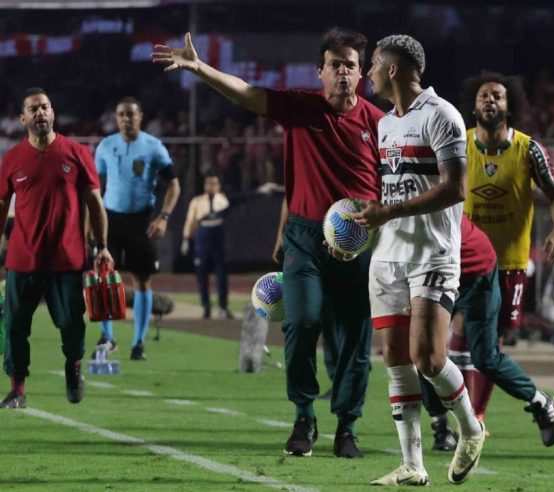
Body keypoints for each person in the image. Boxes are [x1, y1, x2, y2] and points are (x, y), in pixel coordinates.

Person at [153, 28, 383, 458]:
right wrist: (200, 68)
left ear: (361, 73)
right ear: (320, 72)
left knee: (354, 338)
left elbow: (390, 191)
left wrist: (372, 233)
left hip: (358, 244)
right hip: (306, 237)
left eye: (351, 65)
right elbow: (246, 93)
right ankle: (304, 416)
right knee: (300, 322)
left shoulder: (378, 125)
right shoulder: (301, 108)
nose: (344, 73)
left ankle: (347, 427)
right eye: (335, 65)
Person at [355, 34, 485, 486]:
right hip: (387, 256)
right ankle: (413, 464)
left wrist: (388, 212)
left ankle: (471, 427)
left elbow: (455, 188)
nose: (368, 72)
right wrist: (352, 229)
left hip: (432, 254)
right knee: (394, 358)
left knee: (428, 359)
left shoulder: (442, 115)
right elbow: (391, 190)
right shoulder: (386, 124)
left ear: (393, 68)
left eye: (372, 63)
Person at [457, 71, 554, 437]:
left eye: (498, 96)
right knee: (455, 341)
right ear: (473, 105)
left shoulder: (528, 149)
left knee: (488, 346)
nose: (491, 100)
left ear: (510, 106)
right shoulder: (459, 145)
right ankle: (460, 420)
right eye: (484, 95)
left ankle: (476, 417)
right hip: (463, 261)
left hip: (508, 264)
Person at [0, 87, 113, 409]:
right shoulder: (12, 159)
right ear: (22, 118)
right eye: (33, 109)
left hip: (67, 258)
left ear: (53, 112)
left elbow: (95, 203)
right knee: (15, 328)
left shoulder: (77, 153)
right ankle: (17, 390)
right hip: (23, 259)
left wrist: (102, 246)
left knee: (71, 324)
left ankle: (74, 368)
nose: (40, 113)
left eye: (45, 107)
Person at [93, 97, 181, 361]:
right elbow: (94, 189)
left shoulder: (154, 147)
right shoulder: (106, 146)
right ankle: (108, 337)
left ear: (140, 116)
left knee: (142, 281)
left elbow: (174, 185)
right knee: (104, 278)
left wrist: (164, 217)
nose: (125, 119)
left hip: (141, 222)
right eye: (121, 115)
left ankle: (138, 343)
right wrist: (91, 223)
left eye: (130, 114)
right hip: (110, 219)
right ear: (116, 117)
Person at [181, 172, 234, 320]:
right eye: (208, 184)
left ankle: (223, 307)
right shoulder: (197, 201)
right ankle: (206, 307)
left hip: (219, 243)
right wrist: (186, 238)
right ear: (205, 186)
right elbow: (190, 220)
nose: (211, 187)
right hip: (202, 243)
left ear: (219, 186)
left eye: (214, 184)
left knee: (222, 277)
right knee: (202, 277)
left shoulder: (223, 201)